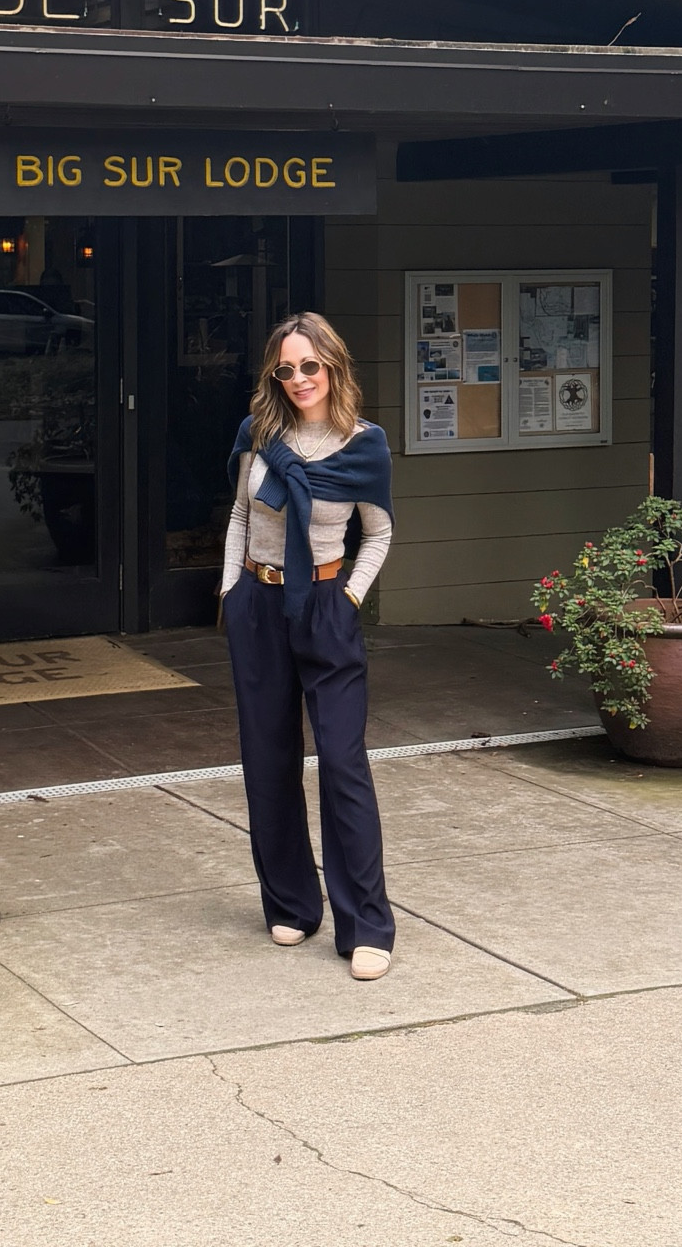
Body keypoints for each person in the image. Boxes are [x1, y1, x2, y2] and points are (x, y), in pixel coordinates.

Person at [222, 311, 396, 979]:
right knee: (267, 761)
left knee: (343, 763)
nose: (298, 379)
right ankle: (291, 903)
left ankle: (366, 926)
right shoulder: (258, 433)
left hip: (325, 603)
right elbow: (240, 514)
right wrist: (230, 593)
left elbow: (377, 533)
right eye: (285, 368)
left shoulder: (363, 444)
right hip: (259, 604)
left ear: (332, 367)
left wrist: (348, 596)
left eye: (309, 366)